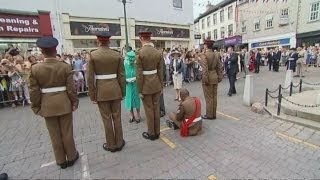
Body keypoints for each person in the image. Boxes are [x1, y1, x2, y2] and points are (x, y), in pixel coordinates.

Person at [29, 37, 79, 169]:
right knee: (67, 132)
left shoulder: (35, 69)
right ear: (55, 50)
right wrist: (74, 102)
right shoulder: (65, 66)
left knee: (54, 134)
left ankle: (61, 160)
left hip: (47, 105)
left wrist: (36, 106)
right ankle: (72, 156)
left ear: (41, 51)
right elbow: (71, 88)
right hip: (64, 103)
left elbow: (34, 91)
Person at [87, 32, 126, 152]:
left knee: (106, 119)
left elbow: (89, 78)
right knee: (117, 117)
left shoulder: (93, 55)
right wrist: (123, 92)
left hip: (101, 91)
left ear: (98, 42)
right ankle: (119, 142)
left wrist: (93, 95)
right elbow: (121, 75)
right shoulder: (116, 55)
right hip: (115, 90)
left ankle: (111, 145)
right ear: (109, 42)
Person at [136, 31, 163, 141]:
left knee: (149, 110)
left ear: (141, 38)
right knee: (156, 109)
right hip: (156, 84)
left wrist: (139, 90)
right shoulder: (157, 53)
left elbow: (139, 75)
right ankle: (157, 131)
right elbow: (161, 72)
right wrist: (161, 86)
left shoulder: (140, 53)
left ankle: (151, 133)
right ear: (150, 38)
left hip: (146, 86)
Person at [200, 40, 223, 119]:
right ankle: (214, 114)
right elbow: (220, 67)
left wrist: (205, 80)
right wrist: (220, 77)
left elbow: (205, 69)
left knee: (209, 98)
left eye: (204, 44)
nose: (204, 46)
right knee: (214, 97)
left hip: (208, 78)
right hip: (215, 77)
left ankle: (209, 115)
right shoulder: (216, 54)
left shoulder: (204, 55)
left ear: (206, 46)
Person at [124, 50, 141, 123]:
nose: (131, 59)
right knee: (129, 100)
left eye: (132, 58)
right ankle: (132, 115)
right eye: (129, 58)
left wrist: (136, 78)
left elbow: (139, 73)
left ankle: (138, 115)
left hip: (135, 84)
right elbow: (122, 73)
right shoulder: (124, 63)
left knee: (136, 99)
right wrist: (125, 80)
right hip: (128, 85)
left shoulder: (136, 64)